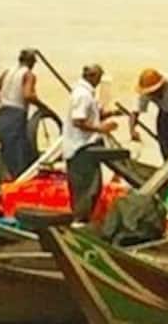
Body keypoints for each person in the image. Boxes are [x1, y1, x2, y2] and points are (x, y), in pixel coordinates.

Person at [60, 64, 128, 225]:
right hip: (80, 148)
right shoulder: (82, 95)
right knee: (86, 189)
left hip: (87, 147)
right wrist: (101, 128)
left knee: (94, 187)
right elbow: (78, 120)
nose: (99, 81)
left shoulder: (87, 94)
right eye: (98, 77)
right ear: (91, 76)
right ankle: (80, 222)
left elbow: (92, 115)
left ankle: (85, 220)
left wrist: (112, 113)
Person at [0, 49, 54, 179]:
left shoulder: (7, 72)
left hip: (2, 115)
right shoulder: (29, 75)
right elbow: (28, 95)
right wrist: (43, 106)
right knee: (17, 153)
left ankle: (7, 179)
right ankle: (19, 182)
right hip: (16, 116)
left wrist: (6, 101)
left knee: (7, 151)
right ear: (31, 62)